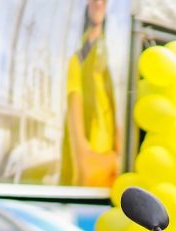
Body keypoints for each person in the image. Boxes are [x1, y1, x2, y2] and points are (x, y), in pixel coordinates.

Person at [61, 0, 121, 187]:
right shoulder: (77, 61)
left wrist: (117, 154)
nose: (99, 4)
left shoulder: (106, 69)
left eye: (103, 1)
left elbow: (113, 112)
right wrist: (83, 154)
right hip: (90, 161)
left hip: (109, 162)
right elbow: (75, 106)